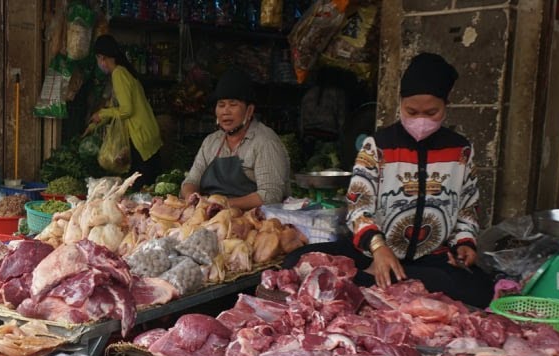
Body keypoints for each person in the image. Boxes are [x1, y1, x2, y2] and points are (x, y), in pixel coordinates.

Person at [283, 53, 493, 308]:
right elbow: (359, 206)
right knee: (295, 260)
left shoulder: (460, 151)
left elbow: (467, 208)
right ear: (400, 103)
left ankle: (380, 284)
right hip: (373, 252)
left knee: (481, 290)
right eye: (411, 111)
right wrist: (378, 247)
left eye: (431, 112)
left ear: (446, 105)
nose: (421, 120)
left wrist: (464, 242)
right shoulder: (378, 146)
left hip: (430, 258)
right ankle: (386, 280)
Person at [181, 67, 290, 210]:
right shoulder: (211, 142)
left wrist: (223, 205)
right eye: (221, 105)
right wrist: (192, 198)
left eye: (233, 105)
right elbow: (191, 181)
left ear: (249, 111)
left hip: (253, 221)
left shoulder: (265, 142)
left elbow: (269, 196)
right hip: (211, 215)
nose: (226, 111)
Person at [89, 35, 162, 188]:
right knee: (147, 184)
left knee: (140, 186)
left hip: (140, 134)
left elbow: (126, 110)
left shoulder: (118, 74)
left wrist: (102, 113)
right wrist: (101, 118)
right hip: (147, 132)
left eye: (97, 58)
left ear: (102, 57)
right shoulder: (125, 71)